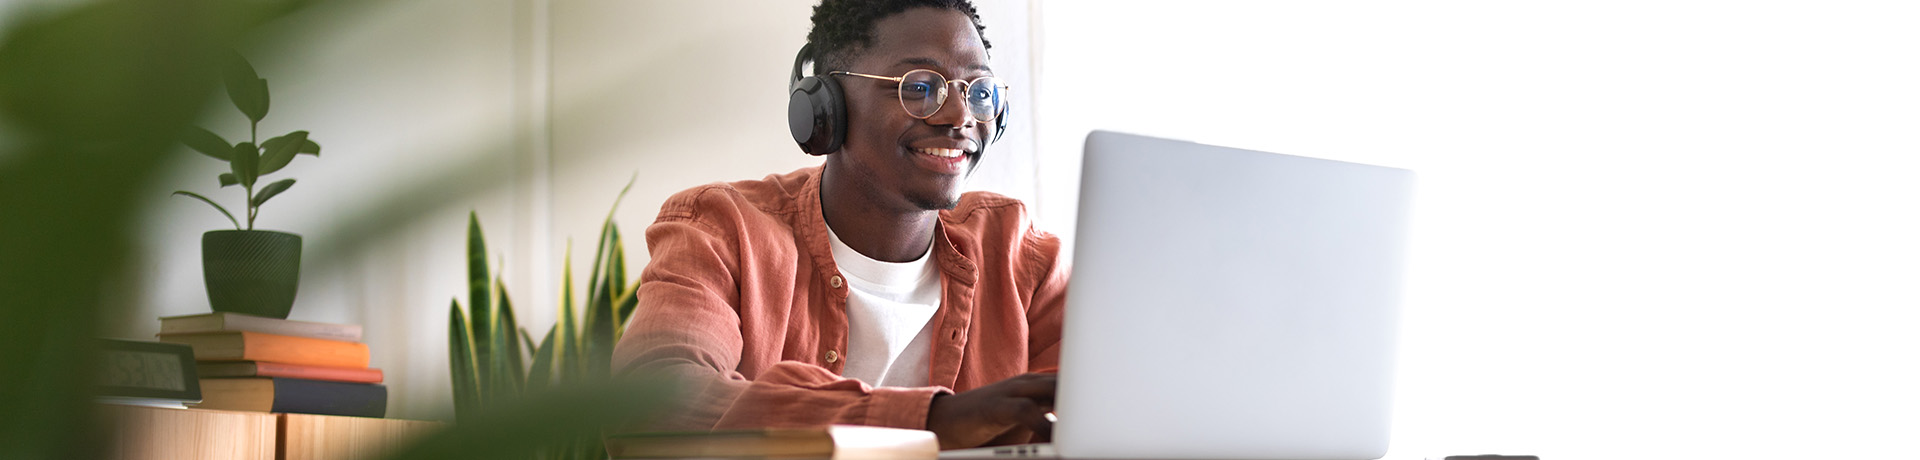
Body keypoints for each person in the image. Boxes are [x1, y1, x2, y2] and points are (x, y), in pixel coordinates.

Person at [611, 0, 1067, 450]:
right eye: (919, 87)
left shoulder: (1022, 255)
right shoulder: (721, 231)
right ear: (825, 107)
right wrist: (931, 421)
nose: (959, 117)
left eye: (979, 92)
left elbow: (1084, 409)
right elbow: (650, 407)